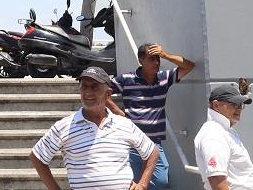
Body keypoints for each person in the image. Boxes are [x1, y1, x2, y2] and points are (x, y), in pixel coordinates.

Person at [30, 65, 158, 190]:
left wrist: (142, 184)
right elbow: (37, 156)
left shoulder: (124, 124)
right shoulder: (64, 126)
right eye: (84, 86)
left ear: (108, 94)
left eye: (94, 87)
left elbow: (152, 152)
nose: (88, 92)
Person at [107, 42, 196, 189]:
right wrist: (118, 112)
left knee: (161, 181)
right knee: (132, 183)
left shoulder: (164, 78)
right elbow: (102, 91)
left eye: (158, 58)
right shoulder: (126, 79)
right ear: (141, 60)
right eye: (152, 58)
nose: (156, 62)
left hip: (154, 143)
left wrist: (165, 54)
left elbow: (189, 66)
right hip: (132, 142)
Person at [194, 82, 253, 190]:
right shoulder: (214, 134)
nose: (239, 109)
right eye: (234, 104)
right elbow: (217, 179)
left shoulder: (223, 131)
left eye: (240, 105)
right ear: (216, 105)